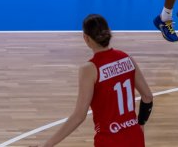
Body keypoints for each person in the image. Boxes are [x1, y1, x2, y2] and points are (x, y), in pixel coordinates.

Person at [37, 14, 154, 147]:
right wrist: (141, 123)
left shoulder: (90, 69)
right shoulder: (127, 59)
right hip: (135, 138)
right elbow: (147, 96)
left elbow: (79, 116)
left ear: (85, 38)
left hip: (109, 141)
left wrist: (47, 145)